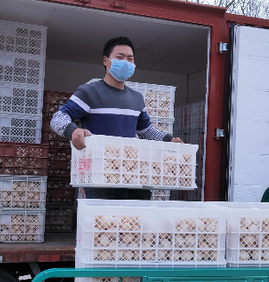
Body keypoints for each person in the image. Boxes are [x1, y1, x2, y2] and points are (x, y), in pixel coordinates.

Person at [50, 36, 183, 199]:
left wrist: (170, 140)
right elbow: (58, 117)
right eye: (120, 58)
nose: (126, 62)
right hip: (100, 177)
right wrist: (73, 130)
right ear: (106, 61)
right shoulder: (89, 92)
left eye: (130, 59)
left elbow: (146, 132)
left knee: (134, 223)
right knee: (103, 223)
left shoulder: (137, 98)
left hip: (133, 176)